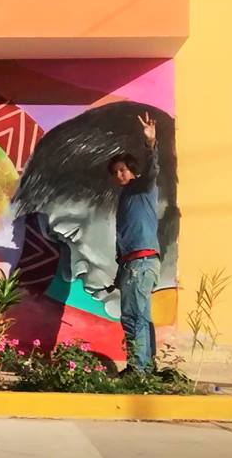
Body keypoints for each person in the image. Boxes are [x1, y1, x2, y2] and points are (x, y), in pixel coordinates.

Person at [107, 112, 160, 374]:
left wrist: (150, 143)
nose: (119, 175)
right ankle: (146, 368)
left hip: (141, 262)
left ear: (133, 171)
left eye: (123, 170)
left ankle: (137, 369)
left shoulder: (142, 187)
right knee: (141, 316)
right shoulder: (127, 196)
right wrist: (119, 274)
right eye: (115, 172)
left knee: (133, 317)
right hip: (135, 264)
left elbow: (153, 169)